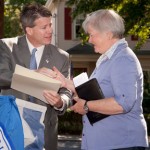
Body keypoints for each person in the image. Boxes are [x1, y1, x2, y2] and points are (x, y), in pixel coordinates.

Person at [44, 9, 149, 150]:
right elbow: (94, 92)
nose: (89, 40)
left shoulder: (123, 59)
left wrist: (86, 106)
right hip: (106, 143)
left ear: (108, 34)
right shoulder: (107, 59)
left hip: (121, 144)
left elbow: (123, 103)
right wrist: (66, 83)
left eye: (92, 35)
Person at [0, 2, 72, 150]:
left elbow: (67, 91)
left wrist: (60, 102)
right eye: (44, 27)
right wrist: (33, 74)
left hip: (45, 131)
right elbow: (2, 76)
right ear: (29, 30)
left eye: (50, 25)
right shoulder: (5, 47)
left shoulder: (62, 57)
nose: (50, 31)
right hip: (11, 127)